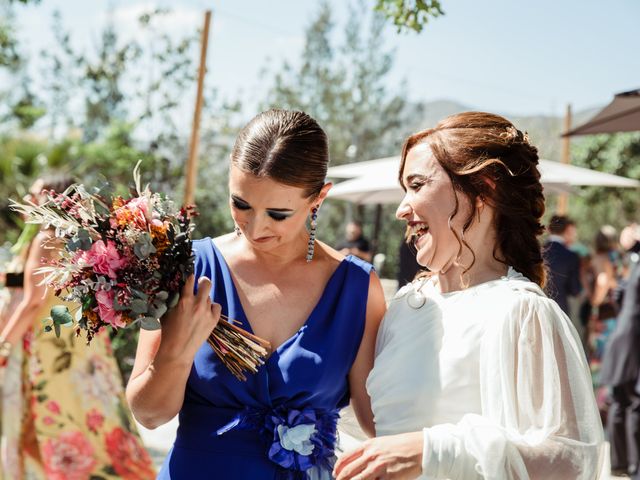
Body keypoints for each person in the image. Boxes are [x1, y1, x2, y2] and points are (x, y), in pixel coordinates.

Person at [334, 112, 604, 479]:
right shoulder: (401, 310)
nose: (402, 209)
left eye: (417, 185)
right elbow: (377, 429)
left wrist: (435, 451)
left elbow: (571, 461)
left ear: (483, 189)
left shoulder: (522, 311)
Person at [126, 109, 386, 479]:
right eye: (241, 204)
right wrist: (178, 352)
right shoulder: (186, 269)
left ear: (319, 199)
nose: (255, 226)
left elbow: (379, 424)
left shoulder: (358, 289)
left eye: (278, 214)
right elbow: (149, 415)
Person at [0, 174, 155, 479]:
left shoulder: (47, 237)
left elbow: (33, 301)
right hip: (80, 341)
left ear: (53, 197)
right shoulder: (83, 238)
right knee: (92, 413)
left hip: (49, 346)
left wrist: (3, 346)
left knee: (53, 418)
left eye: (36, 194)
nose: (30, 200)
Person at [543, 214, 582, 315]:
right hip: (560, 311)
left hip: (535, 308)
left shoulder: (536, 252)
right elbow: (575, 290)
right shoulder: (571, 256)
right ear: (566, 230)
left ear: (549, 229)